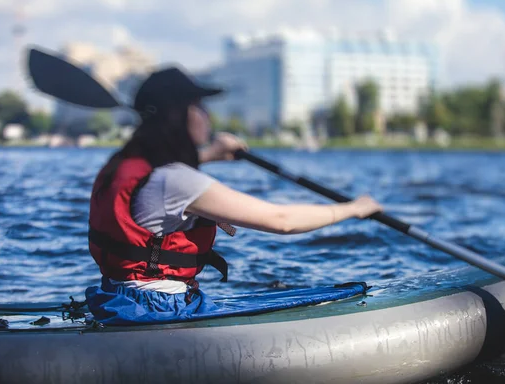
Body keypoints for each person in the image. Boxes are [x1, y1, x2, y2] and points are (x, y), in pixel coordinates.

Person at [85, 65, 383, 325]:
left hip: (117, 299)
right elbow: (281, 220)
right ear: (178, 115)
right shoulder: (176, 181)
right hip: (162, 308)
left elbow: (161, 181)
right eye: (199, 106)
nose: (207, 115)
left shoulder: (124, 163)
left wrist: (211, 154)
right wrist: (353, 208)